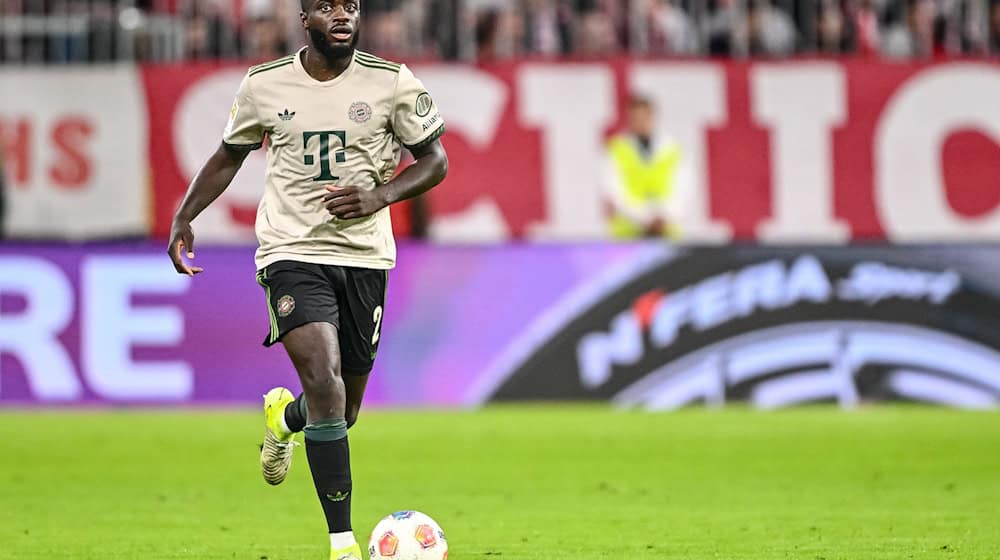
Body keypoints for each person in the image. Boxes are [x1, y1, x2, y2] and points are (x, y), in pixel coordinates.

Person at [166, 0, 449, 558]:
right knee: (324, 381)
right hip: (291, 251)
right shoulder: (264, 85)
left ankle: (284, 417)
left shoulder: (392, 82)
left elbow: (435, 160)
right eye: (326, 7)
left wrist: (380, 195)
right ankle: (342, 544)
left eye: (351, 6)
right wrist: (185, 214)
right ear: (305, 19)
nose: (342, 15)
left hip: (365, 257)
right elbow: (229, 155)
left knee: (342, 411)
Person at [603, 95, 683, 240]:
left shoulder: (672, 149)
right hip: (628, 233)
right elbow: (614, 191)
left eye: (644, 117)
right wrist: (645, 219)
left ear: (652, 117)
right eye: (635, 118)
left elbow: (682, 190)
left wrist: (663, 217)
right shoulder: (616, 149)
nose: (640, 123)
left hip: (666, 232)